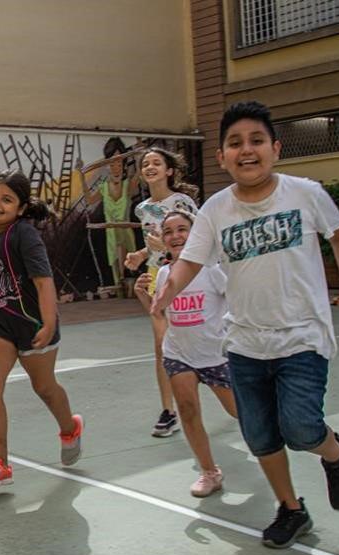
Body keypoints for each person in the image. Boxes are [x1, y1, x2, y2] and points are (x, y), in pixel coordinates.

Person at [153, 101, 339, 549]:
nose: (247, 150)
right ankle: (291, 509)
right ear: (221, 157)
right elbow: (191, 261)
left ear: (275, 148)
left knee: (300, 428)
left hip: (302, 336)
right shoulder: (216, 210)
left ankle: (337, 453)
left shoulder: (304, 193)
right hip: (243, 343)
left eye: (256, 140)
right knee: (259, 435)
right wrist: (168, 290)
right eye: (235, 143)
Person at [0, 170, 83, 487]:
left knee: (44, 388)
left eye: (7, 199)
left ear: (22, 208)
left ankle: (70, 428)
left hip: (33, 323)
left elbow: (44, 283)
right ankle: (0, 463)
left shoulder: (25, 236)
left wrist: (50, 321)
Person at [149, 211, 237, 497]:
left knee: (241, 413)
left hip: (215, 356)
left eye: (182, 229)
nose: (175, 236)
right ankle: (209, 472)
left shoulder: (213, 269)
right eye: (169, 232)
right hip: (179, 354)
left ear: (195, 233)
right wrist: (143, 297)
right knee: (187, 410)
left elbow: (237, 301)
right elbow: (160, 312)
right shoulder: (164, 273)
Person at [124, 148, 200, 438]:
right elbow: (154, 243)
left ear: (169, 171)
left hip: (186, 275)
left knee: (199, 342)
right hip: (158, 277)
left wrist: (165, 248)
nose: (150, 166)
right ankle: (169, 412)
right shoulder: (142, 209)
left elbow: (196, 238)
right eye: (145, 164)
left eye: (157, 162)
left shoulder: (181, 202)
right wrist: (140, 255)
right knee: (161, 345)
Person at [81, 137, 140, 291]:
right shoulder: (103, 188)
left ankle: (124, 281)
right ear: (107, 165)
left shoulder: (128, 186)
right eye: (112, 164)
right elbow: (89, 200)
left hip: (125, 233)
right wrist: (81, 176)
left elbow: (139, 174)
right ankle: (121, 283)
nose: (116, 168)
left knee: (124, 249)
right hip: (111, 235)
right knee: (116, 258)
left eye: (119, 163)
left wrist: (140, 156)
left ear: (124, 165)